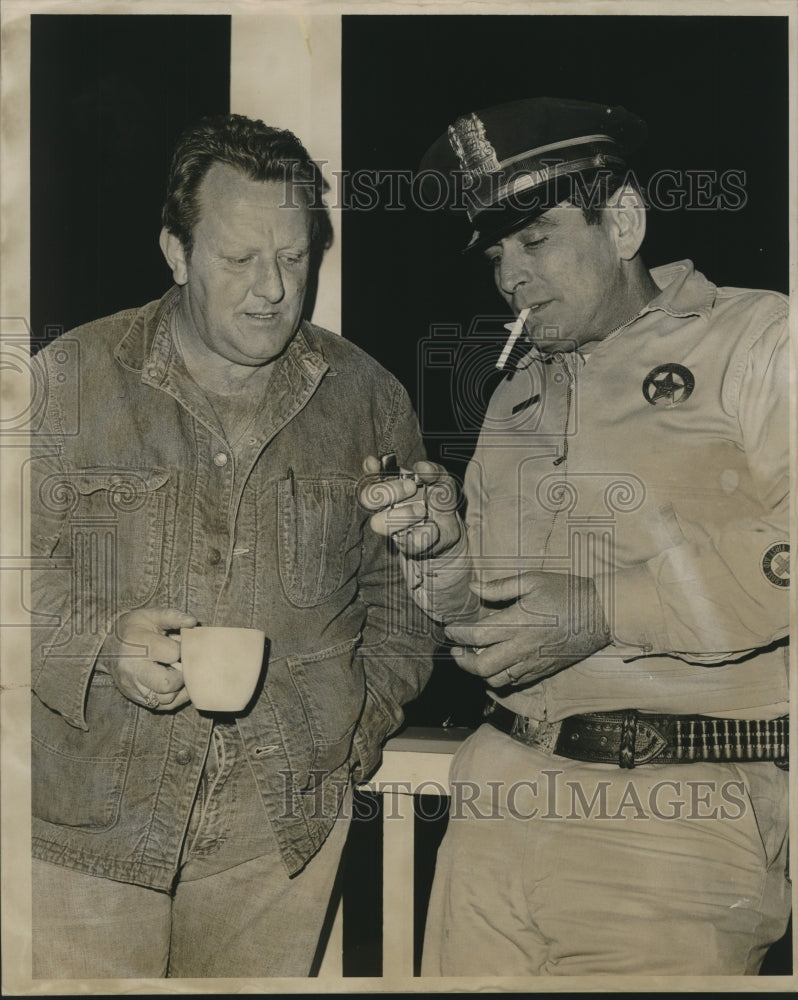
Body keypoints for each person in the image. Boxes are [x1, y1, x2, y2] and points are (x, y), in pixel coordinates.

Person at [361, 97, 790, 976]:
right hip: (494, 801)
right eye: (496, 255)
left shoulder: (759, 337)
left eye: (537, 240)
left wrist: (603, 610)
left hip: (675, 826)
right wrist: (442, 554)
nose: (510, 278)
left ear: (622, 221)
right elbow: (494, 618)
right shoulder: (515, 394)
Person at [30, 113, 435, 979]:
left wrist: (356, 734)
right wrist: (101, 645)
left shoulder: (367, 397)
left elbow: (401, 601)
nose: (271, 291)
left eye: (293, 260)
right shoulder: (65, 382)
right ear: (176, 253)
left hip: (278, 836)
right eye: (238, 259)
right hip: (83, 827)